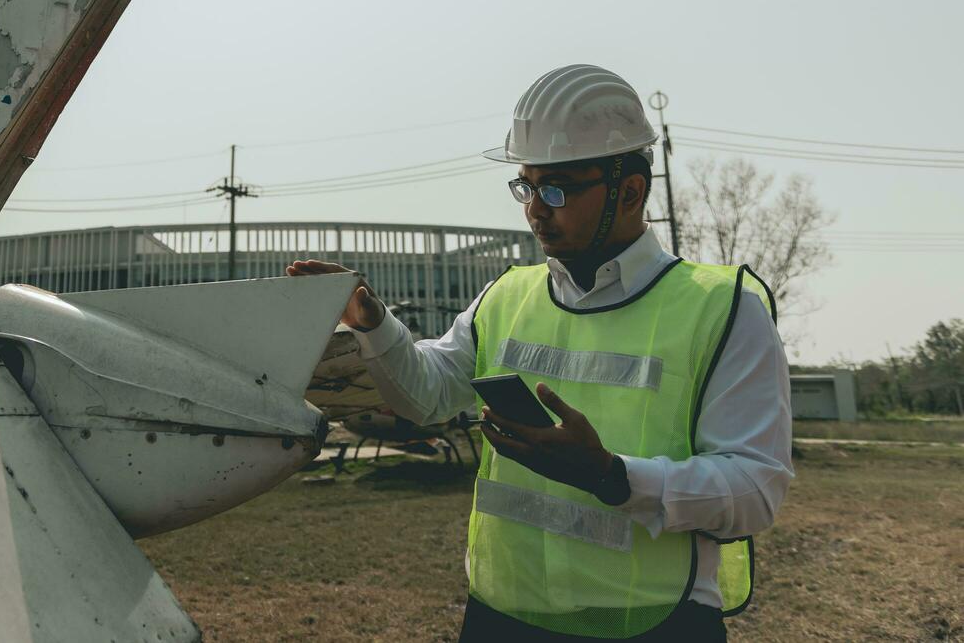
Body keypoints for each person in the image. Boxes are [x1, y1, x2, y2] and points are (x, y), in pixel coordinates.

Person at [287, 65, 792, 642]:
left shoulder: (722, 309)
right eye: (526, 186)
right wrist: (373, 323)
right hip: (502, 616)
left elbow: (754, 491)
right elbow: (426, 396)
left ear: (630, 191)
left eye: (557, 189)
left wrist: (612, 477)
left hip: (652, 624)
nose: (534, 209)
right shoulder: (506, 296)